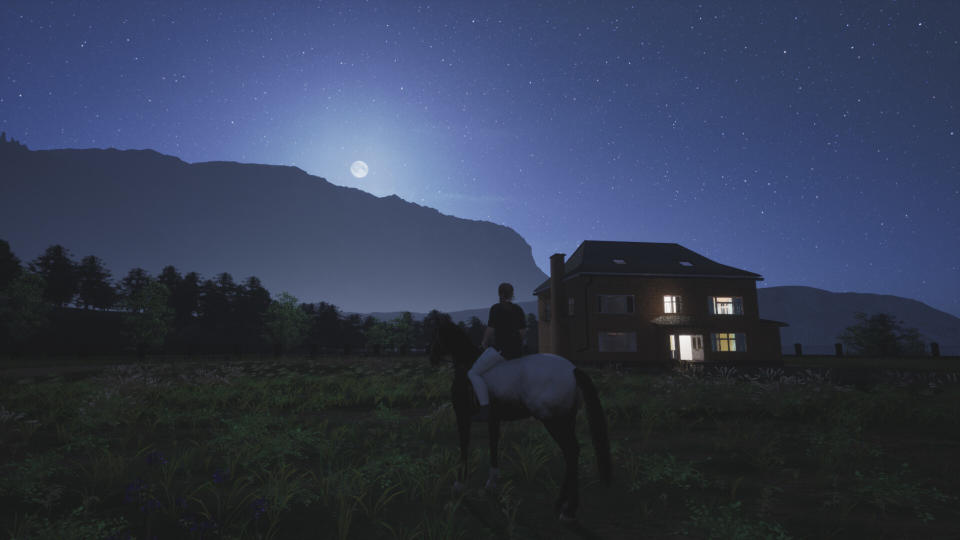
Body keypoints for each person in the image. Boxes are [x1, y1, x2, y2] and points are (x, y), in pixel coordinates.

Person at [468, 282, 527, 421]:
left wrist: (483, 344)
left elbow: (490, 331)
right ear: (512, 294)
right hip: (516, 352)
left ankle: (484, 408)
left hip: (501, 350)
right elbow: (523, 332)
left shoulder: (496, 309)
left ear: (499, 294)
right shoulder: (518, 309)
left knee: (473, 373)